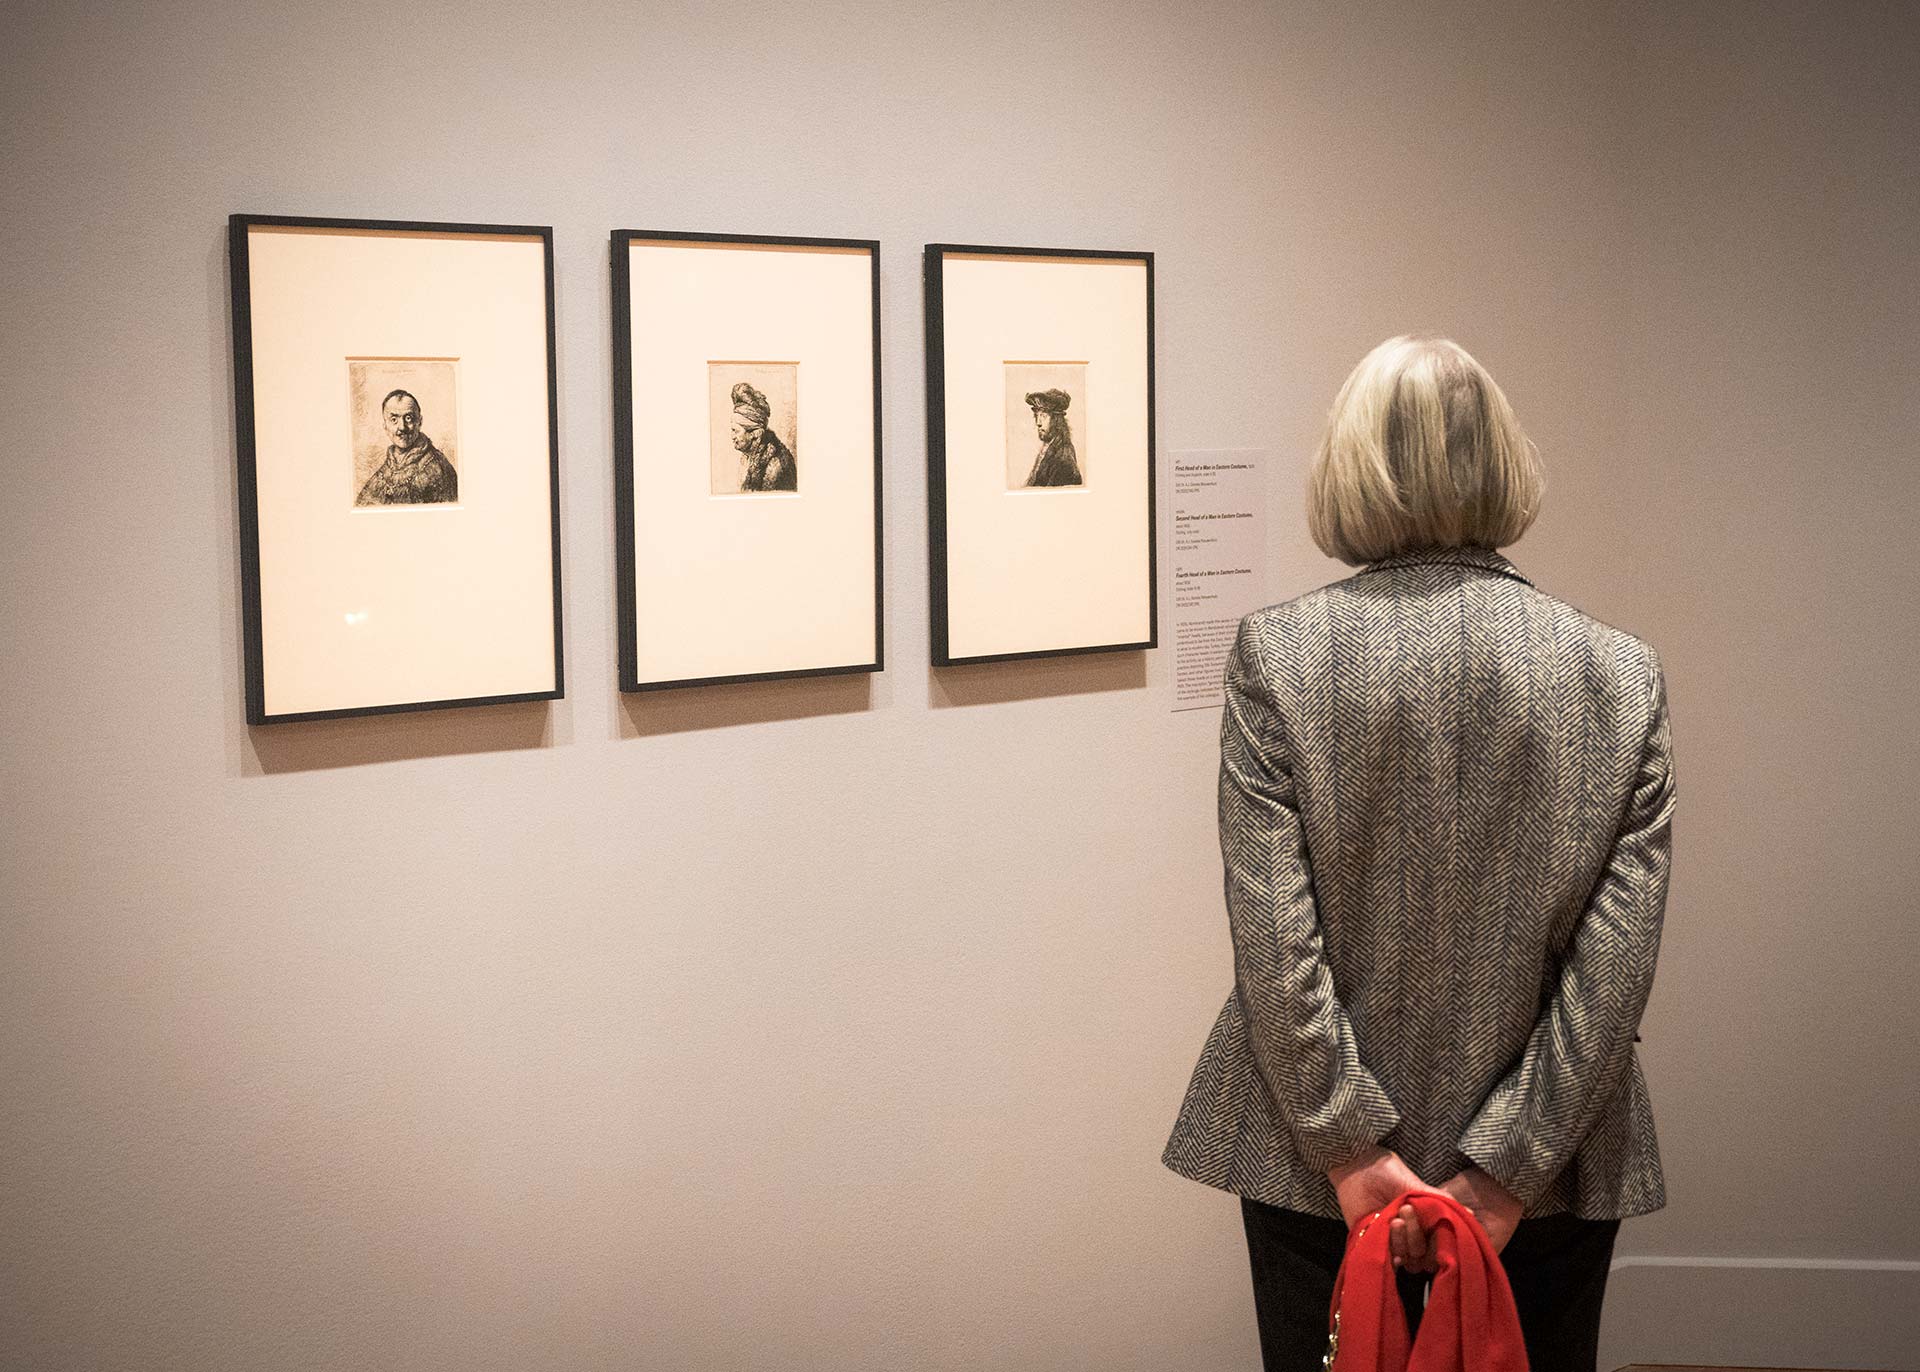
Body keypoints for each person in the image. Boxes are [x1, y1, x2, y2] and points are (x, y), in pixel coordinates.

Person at [1161, 335, 1676, 1372]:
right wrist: (1506, 1173)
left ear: (1350, 471)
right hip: (1555, 1175)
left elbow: (1274, 942)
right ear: (1504, 462)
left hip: (1314, 1173)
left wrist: (1351, 1149)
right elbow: (1611, 976)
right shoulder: (1620, 675)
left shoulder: (1280, 655)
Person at [355, 389, 458, 506]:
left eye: (408, 418)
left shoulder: (439, 468)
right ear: (385, 426)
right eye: (394, 420)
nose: (402, 427)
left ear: (419, 422)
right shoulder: (386, 470)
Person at [730, 381, 797, 492]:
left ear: (754, 434)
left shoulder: (776, 467)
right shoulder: (747, 456)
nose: (732, 437)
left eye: (735, 431)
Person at [1022, 387, 1083, 486]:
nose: (1038, 423)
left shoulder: (1063, 458)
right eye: (1037, 416)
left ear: (1056, 421)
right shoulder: (1049, 447)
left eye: (1044, 416)